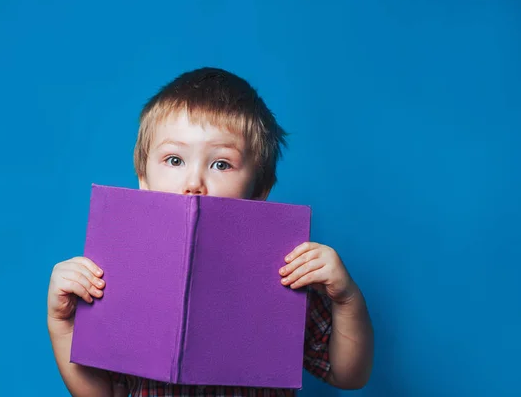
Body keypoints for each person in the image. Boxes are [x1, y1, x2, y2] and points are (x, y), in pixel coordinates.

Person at [47, 67, 374, 397]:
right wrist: (62, 325)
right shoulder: (116, 272)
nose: (193, 184)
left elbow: (348, 375)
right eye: (174, 160)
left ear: (259, 189)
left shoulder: (287, 271)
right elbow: (105, 394)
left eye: (221, 164)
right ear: (143, 180)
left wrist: (346, 299)